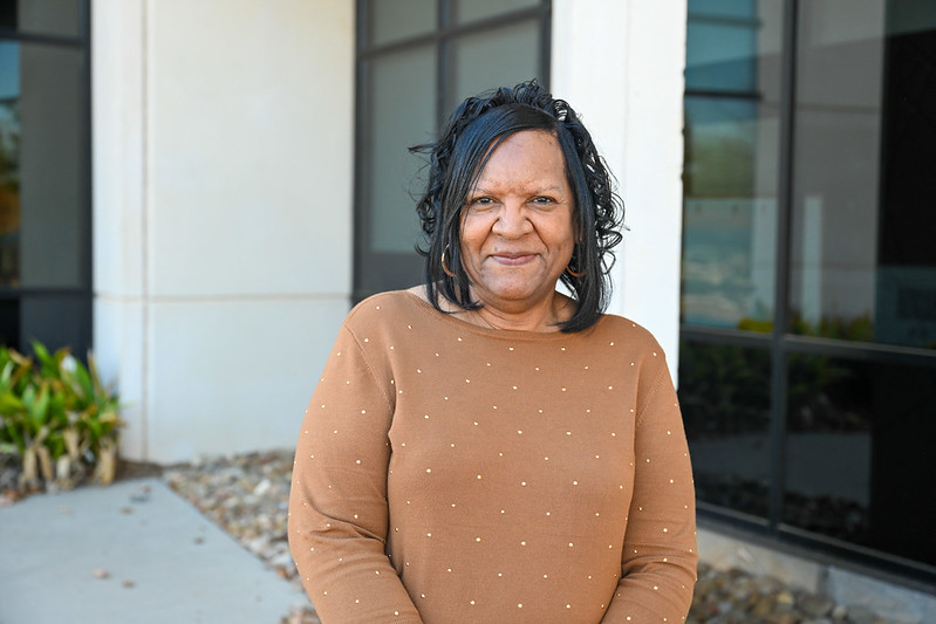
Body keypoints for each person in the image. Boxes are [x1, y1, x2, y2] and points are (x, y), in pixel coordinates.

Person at [288, 80, 697, 623]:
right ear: (455, 218)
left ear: (579, 221)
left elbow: (662, 561)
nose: (511, 226)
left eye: (542, 200)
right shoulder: (381, 332)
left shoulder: (633, 356)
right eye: (484, 200)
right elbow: (332, 530)